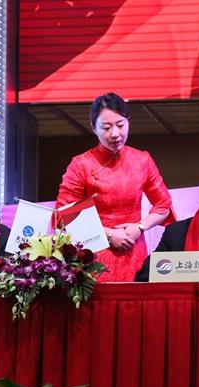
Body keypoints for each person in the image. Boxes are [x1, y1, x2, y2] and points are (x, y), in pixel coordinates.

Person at [55, 92, 175, 281]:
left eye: (120, 125)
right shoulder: (80, 165)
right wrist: (109, 234)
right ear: (93, 127)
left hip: (134, 251)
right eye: (106, 127)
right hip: (92, 257)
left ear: (128, 122)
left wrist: (140, 227)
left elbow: (164, 205)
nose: (115, 134)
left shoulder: (142, 160)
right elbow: (64, 216)